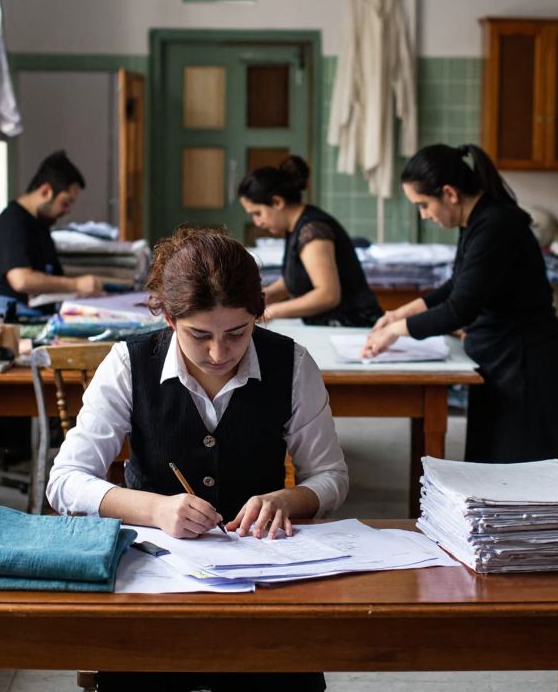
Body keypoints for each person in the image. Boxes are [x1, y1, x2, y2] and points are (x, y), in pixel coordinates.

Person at [47, 226, 347, 692]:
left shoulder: (293, 363)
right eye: (198, 335)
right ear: (168, 318)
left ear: (258, 315)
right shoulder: (129, 363)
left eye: (238, 333)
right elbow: (65, 481)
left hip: (263, 583)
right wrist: (154, 508)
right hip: (152, 581)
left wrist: (289, 500)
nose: (218, 353)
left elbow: (331, 475)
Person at [364, 144, 558, 475]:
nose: (423, 214)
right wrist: (400, 314)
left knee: (527, 486)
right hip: (502, 361)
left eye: (423, 205)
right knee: (494, 480)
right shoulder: (478, 220)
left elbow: (460, 309)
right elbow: (458, 284)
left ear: (449, 193)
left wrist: (395, 332)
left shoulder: (496, 224)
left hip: (527, 369)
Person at [237, 156, 383, 326]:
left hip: (355, 325)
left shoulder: (313, 230)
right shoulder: (297, 226)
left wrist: (271, 312)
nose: (257, 222)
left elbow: (328, 295)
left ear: (277, 202)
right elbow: (298, 277)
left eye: (257, 213)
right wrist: (259, 299)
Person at [0, 150, 102, 303]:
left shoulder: (40, 225)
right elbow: (21, 280)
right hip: (13, 316)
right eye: (66, 202)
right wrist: (76, 284)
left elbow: (53, 277)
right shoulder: (12, 223)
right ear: (46, 191)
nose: (67, 210)